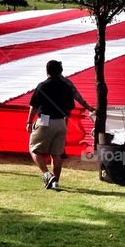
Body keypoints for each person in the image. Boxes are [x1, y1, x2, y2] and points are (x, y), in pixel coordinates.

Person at [26, 60, 76, 190]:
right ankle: (55, 182)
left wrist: (29, 121)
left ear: (47, 71)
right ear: (61, 71)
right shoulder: (66, 87)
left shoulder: (42, 86)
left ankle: (47, 175)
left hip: (45, 120)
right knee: (56, 153)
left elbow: (34, 106)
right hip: (61, 121)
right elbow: (70, 108)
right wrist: (64, 124)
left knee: (34, 149)